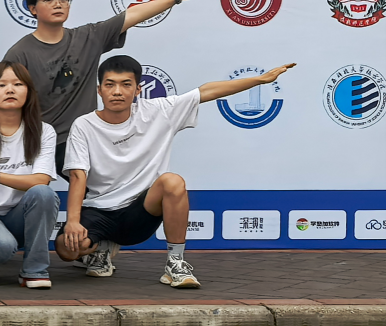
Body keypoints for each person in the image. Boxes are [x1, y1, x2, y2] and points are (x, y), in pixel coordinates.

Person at [57, 55, 295, 288]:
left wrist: (260, 80)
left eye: (126, 84)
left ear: (138, 90)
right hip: (99, 210)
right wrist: (73, 222)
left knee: (172, 181)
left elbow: (206, 91)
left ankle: (176, 262)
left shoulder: (159, 111)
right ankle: (100, 248)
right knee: (67, 250)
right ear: (99, 90)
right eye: (110, 85)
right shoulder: (84, 125)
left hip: (141, 211)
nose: (117, 92)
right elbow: (78, 175)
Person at [2, 0, 217, 174]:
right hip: (47, 140)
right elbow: (5, 102)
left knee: (126, 173)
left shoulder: (88, 37)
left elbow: (132, 15)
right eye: (48, 0)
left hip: (90, 135)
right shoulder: (20, 53)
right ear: (32, 9)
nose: (58, 4)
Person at [0, 61, 58, 289]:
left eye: (18, 84)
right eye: (1, 85)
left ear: (28, 91)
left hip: (20, 215)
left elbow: (41, 181)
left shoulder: (44, 131)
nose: (10, 90)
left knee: (43, 194)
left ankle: (34, 271)